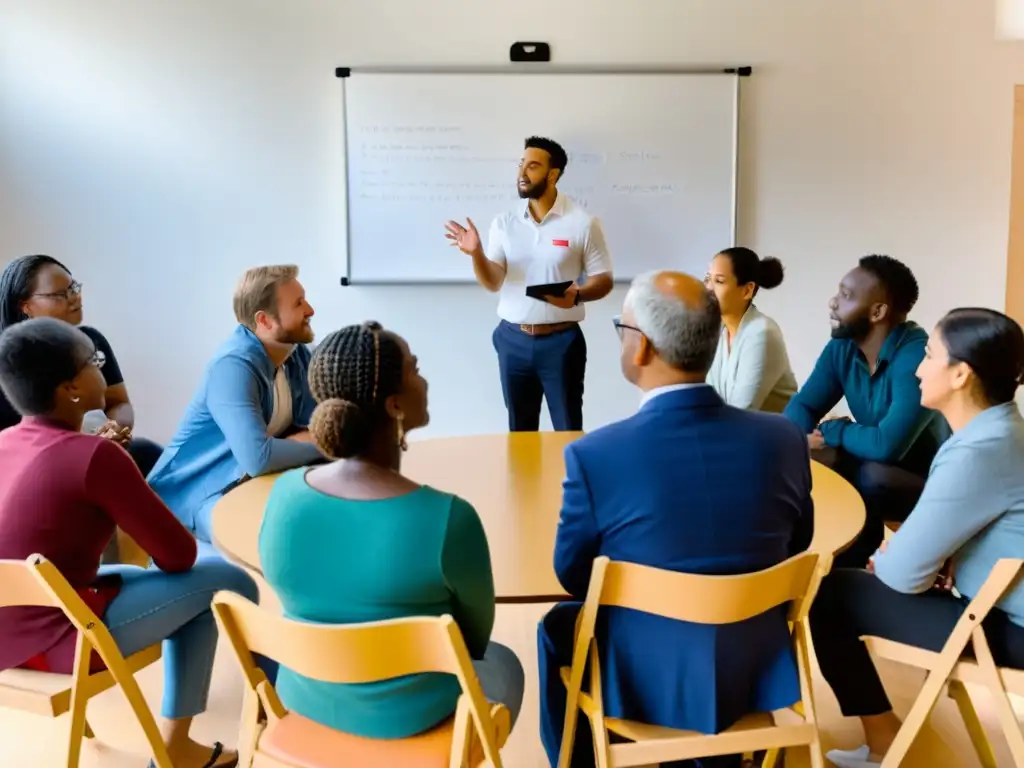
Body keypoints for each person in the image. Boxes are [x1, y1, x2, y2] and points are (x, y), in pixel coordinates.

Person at [538, 271, 815, 768]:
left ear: (640, 348)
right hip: (755, 661)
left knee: (559, 626)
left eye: (622, 329)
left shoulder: (596, 455)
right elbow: (799, 542)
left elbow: (574, 574)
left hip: (646, 672)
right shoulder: (783, 439)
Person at [0, 317, 269, 768]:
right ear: (71, 389)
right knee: (226, 578)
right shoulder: (96, 456)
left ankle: (178, 748)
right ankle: (268, 707)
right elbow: (179, 555)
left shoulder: (6, 441)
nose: (101, 371)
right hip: (56, 642)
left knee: (182, 595)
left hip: (12, 631)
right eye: (94, 361)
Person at [258, 322, 525, 740]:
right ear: (395, 405)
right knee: (504, 661)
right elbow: (473, 641)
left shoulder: (284, 496)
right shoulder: (448, 518)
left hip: (303, 704)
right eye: (415, 369)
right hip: (408, 721)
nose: (425, 379)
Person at [811, 308, 1024, 768]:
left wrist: (894, 561)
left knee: (828, 594)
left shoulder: (978, 449)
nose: (918, 368)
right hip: (1001, 608)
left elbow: (904, 575)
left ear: (961, 374)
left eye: (929, 356)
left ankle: (884, 744)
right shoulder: (1004, 431)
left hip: (1010, 630)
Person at [783, 255, 948, 568]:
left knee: (869, 475)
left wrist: (834, 431)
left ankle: (856, 565)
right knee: (811, 458)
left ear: (878, 311)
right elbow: (805, 404)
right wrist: (797, 441)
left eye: (846, 295)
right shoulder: (842, 348)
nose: (833, 303)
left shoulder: (915, 354)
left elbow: (887, 446)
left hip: (927, 481)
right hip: (874, 462)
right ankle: (806, 558)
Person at [444, 136, 614, 432]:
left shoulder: (582, 223)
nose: (522, 173)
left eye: (532, 166)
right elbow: (493, 281)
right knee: (520, 433)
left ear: (553, 174)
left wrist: (576, 296)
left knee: (568, 429)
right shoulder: (504, 223)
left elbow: (603, 280)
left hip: (562, 343)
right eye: (521, 165)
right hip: (513, 340)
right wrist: (476, 254)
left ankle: (569, 480)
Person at [147, 264, 323, 545]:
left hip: (255, 483)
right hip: (196, 496)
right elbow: (259, 458)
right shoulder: (233, 366)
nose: (310, 310)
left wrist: (317, 439)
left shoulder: (297, 354)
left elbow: (315, 425)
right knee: (273, 539)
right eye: (298, 303)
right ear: (264, 321)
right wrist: (320, 443)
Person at [0, 254, 163, 475]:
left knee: (148, 454)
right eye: (60, 294)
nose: (75, 298)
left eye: (74, 288)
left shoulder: (92, 340)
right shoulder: (9, 362)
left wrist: (113, 430)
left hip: (95, 451)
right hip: (40, 469)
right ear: (25, 306)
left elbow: (118, 402)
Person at [704, 247, 798, 412]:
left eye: (719, 281)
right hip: (738, 432)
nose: (708, 288)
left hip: (777, 435)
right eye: (707, 279)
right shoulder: (719, 332)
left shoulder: (762, 333)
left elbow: (741, 412)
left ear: (747, 290)